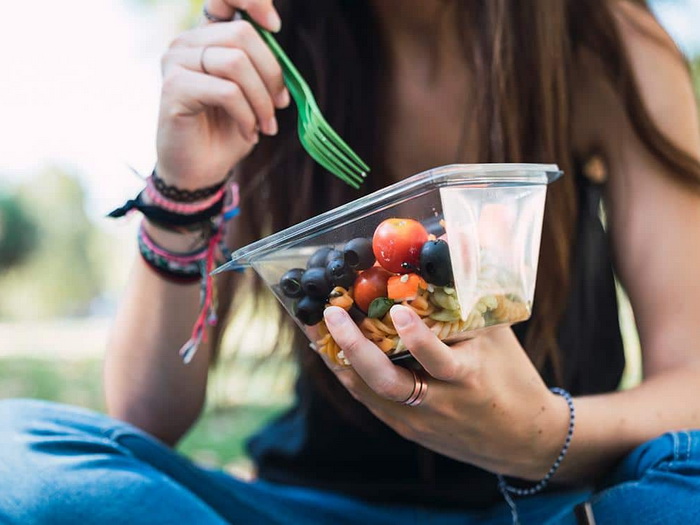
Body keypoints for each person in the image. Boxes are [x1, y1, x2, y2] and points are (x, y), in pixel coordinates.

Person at [1, 0, 700, 523]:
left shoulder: (603, 38)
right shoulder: (265, 59)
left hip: (552, 502)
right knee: (20, 461)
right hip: (311, 506)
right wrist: (185, 190)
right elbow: (145, 415)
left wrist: (539, 435)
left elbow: (691, 384)